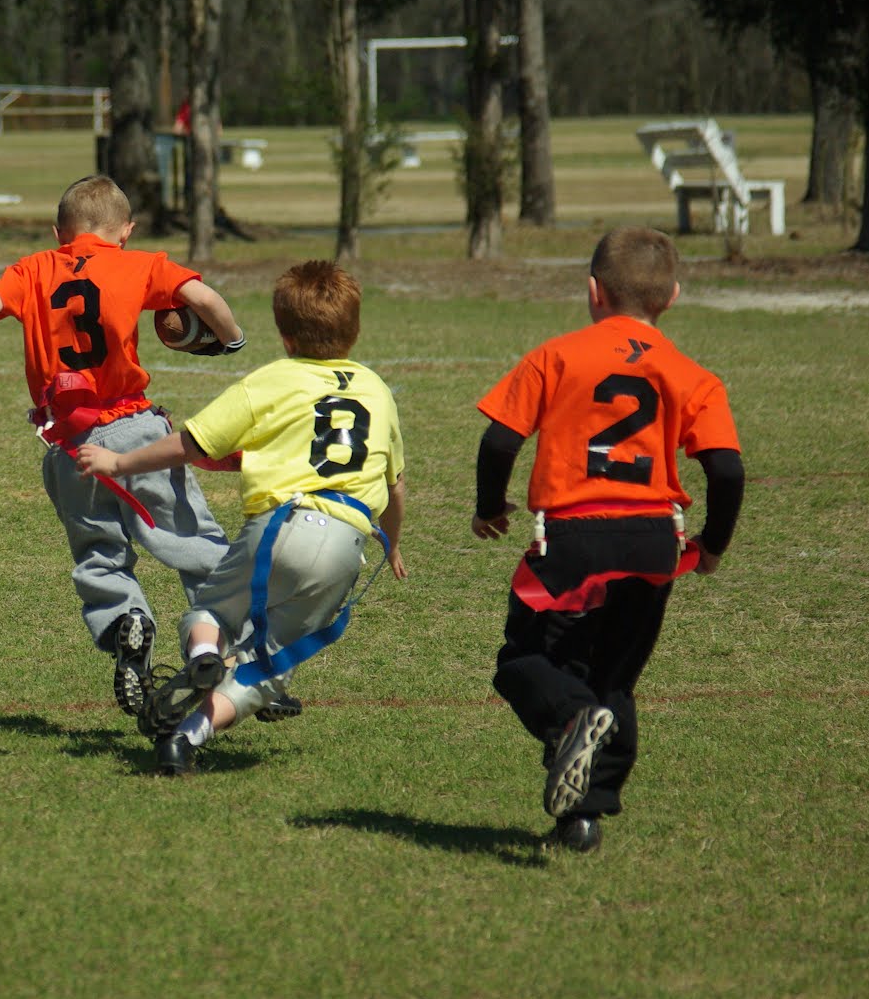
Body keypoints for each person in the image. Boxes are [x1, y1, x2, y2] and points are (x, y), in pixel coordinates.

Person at [0, 175, 245, 719]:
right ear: (125, 231)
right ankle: (232, 651)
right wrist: (230, 339)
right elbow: (202, 297)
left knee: (99, 557)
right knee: (193, 540)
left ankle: (126, 622)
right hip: (137, 432)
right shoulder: (141, 263)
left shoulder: (34, 268)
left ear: (58, 232)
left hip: (69, 447)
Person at [470, 227, 745, 853]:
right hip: (653, 543)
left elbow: (499, 442)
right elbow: (726, 469)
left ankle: (570, 720)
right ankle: (583, 817)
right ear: (671, 297)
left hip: (573, 540)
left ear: (593, 290)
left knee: (524, 663)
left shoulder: (556, 355)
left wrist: (490, 508)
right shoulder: (692, 375)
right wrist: (716, 545)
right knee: (613, 678)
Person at [77, 260, 407, 775]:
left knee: (208, 614)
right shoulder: (378, 391)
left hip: (277, 524)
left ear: (283, 334)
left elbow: (189, 444)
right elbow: (395, 484)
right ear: (356, 329)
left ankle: (203, 655)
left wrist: (118, 462)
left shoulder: (270, 380)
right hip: (347, 540)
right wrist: (395, 541)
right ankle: (184, 740)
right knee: (267, 669)